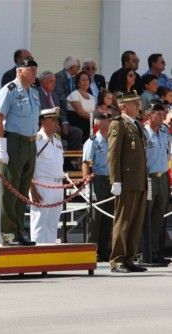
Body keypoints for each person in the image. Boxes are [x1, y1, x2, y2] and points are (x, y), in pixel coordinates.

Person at [0, 57, 39, 246]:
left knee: (22, 189)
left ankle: (19, 231)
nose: (34, 74)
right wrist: (2, 148)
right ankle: (8, 233)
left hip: (30, 142)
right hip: (14, 141)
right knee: (10, 190)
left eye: (35, 71)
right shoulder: (9, 90)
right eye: (31, 70)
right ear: (20, 71)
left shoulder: (34, 92)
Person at [107, 90, 147, 273]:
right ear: (124, 106)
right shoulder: (119, 124)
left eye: (138, 103)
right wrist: (115, 180)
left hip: (138, 180)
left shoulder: (136, 125)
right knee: (123, 221)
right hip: (126, 180)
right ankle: (117, 259)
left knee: (135, 221)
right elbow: (113, 154)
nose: (138, 106)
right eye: (134, 103)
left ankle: (129, 257)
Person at [29, 107, 64, 243]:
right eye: (53, 120)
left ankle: (49, 255)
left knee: (52, 223)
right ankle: (36, 256)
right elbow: (29, 166)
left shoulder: (57, 139)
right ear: (43, 122)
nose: (57, 123)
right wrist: (32, 190)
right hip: (42, 184)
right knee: (39, 222)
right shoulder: (36, 140)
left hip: (58, 184)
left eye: (57, 120)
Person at [82, 112, 113, 261]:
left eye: (109, 119)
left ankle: (103, 251)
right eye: (105, 120)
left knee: (108, 217)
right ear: (98, 123)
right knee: (95, 218)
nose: (108, 122)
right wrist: (87, 185)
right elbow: (86, 164)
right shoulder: (93, 141)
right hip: (98, 180)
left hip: (110, 180)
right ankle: (91, 251)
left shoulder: (112, 139)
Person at [143, 101, 170, 264]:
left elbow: (168, 154)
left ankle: (155, 251)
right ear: (149, 114)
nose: (161, 116)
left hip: (163, 177)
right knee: (147, 216)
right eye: (157, 114)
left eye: (163, 114)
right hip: (149, 178)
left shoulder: (165, 132)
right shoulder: (144, 133)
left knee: (159, 216)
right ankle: (145, 252)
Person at [38, 70, 83, 150]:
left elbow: (61, 111)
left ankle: (70, 161)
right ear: (42, 82)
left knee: (77, 132)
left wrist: (64, 123)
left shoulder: (54, 94)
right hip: (45, 125)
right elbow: (41, 113)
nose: (54, 84)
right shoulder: (37, 93)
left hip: (58, 124)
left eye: (55, 81)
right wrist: (53, 124)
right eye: (51, 81)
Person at [67, 70, 96, 141]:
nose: (86, 82)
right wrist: (96, 119)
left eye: (87, 80)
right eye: (83, 80)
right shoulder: (74, 95)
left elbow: (95, 112)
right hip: (77, 122)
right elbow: (81, 113)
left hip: (89, 122)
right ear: (78, 83)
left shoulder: (92, 97)